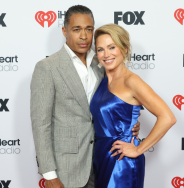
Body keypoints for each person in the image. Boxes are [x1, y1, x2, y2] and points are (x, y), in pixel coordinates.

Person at [30, 5, 141, 188]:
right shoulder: (47, 68)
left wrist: (130, 123)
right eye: (76, 29)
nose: (84, 36)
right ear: (65, 31)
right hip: (66, 169)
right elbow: (41, 124)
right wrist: (49, 175)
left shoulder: (103, 62)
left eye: (89, 29)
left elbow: (115, 102)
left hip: (103, 160)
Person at [90, 24, 177, 188]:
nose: (106, 54)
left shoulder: (132, 81)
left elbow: (168, 118)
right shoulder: (102, 80)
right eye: (100, 49)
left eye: (111, 47)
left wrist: (138, 150)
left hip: (122, 161)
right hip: (101, 156)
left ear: (124, 48)